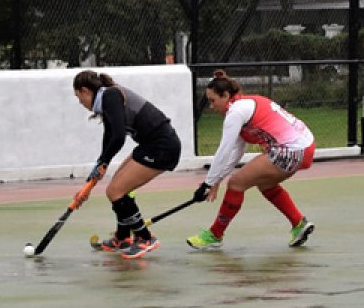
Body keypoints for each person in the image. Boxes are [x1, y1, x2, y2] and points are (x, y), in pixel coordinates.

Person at [186, 70, 316, 250]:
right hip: (305, 147)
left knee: (236, 183)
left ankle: (215, 235)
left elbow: (223, 151)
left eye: (212, 100)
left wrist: (207, 184)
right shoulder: (244, 105)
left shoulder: (235, 112)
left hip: (291, 149)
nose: (211, 106)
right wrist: (215, 180)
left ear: (225, 95)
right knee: (265, 183)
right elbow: (236, 152)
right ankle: (298, 223)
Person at [73, 70, 182, 260]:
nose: (80, 102)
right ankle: (123, 238)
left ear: (85, 90)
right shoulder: (107, 99)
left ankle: (145, 238)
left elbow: (118, 137)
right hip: (150, 146)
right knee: (117, 188)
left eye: (78, 96)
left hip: (162, 147)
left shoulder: (110, 95)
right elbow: (109, 136)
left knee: (115, 191)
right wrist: (100, 164)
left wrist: (104, 162)